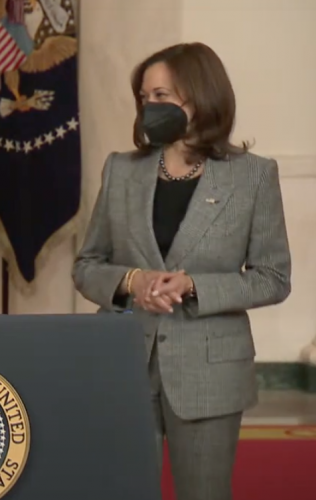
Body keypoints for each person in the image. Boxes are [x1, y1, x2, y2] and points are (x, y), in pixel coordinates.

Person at [72, 42, 291, 500]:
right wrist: (132, 281)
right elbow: (87, 265)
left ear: (201, 96)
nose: (149, 106)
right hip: (124, 362)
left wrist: (193, 286)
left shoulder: (253, 176)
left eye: (162, 96)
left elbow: (273, 277)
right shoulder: (121, 170)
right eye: (144, 96)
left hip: (210, 372)